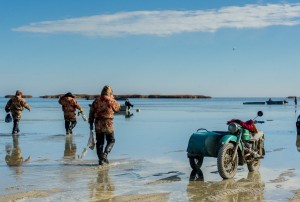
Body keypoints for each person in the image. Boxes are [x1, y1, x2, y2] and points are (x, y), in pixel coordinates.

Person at [89, 85, 120, 165]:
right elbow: (117, 109)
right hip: (108, 123)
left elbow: (91, 112)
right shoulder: (111, 100)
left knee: (99, 142)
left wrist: (91, 123)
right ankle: (105, 155)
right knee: (111, 140)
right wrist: (112, 98)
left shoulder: (96, 100)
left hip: (98, 123)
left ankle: (101, 160)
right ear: (110, 92)